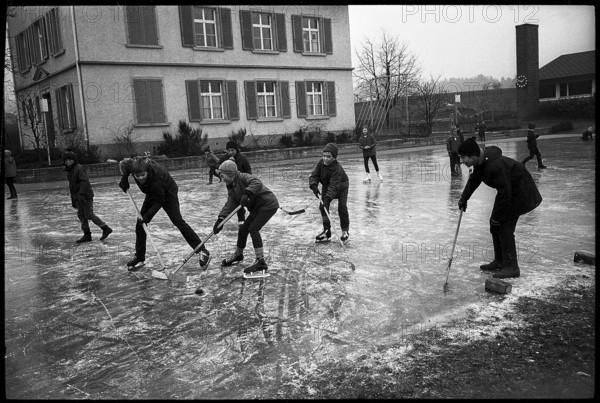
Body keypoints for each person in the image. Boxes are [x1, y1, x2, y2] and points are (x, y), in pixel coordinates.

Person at [457, 138, 542, 279]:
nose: (462, 161)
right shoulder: (481, 161)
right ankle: (500, 261)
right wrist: (464, 198)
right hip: (509, 192)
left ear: (473, 156)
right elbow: (474, 180)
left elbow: (505, 194)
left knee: (504, 228)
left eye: (463, 158)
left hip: (522, 193)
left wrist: (497, 216)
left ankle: (512, 267)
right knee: (494, 224)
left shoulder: (494, 166)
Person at [119, 156, 210, 271]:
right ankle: (139, 256)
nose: (140, 178)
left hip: (168, 192)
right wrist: (124, 178)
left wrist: (147, 217)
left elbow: (159, 201)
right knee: (140, 224)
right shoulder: (133, 167)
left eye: (143, 175)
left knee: (178, 221)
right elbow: (125, 165)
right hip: (152, 193)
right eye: (138, 176)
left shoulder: (155, 180)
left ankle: (202, 250)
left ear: (147, 171)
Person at [214, 160, 279, 277]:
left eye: (222, 175)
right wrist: (221, 219)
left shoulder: (243, 177)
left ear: (229, 174)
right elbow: (230, 203)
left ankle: (260, 261)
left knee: (253, 228)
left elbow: (256, 183)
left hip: (267, 204)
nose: (221, 178)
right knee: (243, 228)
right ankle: (238, 255)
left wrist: (247, 193)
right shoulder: (231, 187)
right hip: (256, 208)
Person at [64, 151, 113, 243]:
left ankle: (105, 228)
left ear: (74, 160)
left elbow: (85, 182)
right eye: (66, 160)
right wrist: (73, 199)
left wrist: (81, 194)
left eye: (70, 160)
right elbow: (72, 187)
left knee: (89, 214)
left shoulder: (79, 168)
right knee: (81, 215)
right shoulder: (69, 171)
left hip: (85, 196)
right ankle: (87, 235)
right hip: (78, 197)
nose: (68, 162)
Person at [309, 143, 350, 243]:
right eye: (324, 156)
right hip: (327, 185)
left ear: (334, 158)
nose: (325, 159)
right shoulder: (321, 163)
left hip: (341, 187)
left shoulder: (337, 169)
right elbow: (315, 175)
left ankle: (345, 231)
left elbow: (334, 186)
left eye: (328, 156)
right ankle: (327, 232)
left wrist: (327, 199)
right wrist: (314, 185)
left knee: (342, 207)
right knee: (323, 207)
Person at [219, 140, 252, 226]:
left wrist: (247, 179)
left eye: (232, 150)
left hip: (242, 182)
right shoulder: (225, 157)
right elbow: (217, 165)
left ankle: (253, 214)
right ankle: (241, 218)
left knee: (245, 198)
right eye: (228, 150)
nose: (230, 152)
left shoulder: (242, 158)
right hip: (230, 183)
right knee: (236, 199)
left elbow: (248, 170)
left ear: (236, 150)